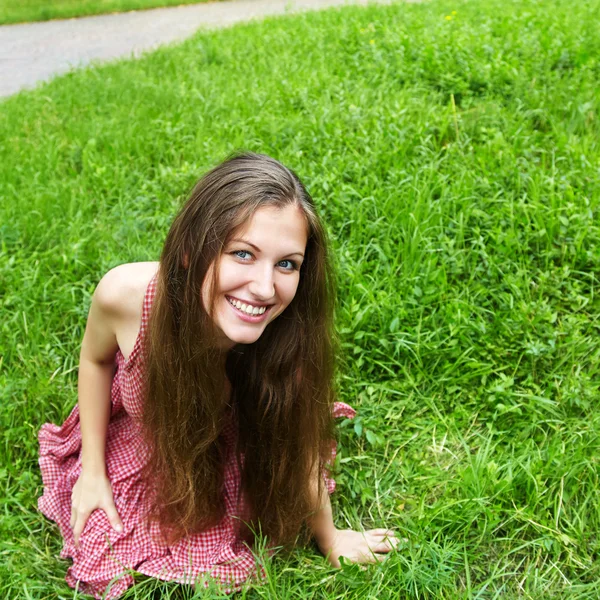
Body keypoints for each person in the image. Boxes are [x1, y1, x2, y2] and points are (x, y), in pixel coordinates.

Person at [38, 152, 398, 599]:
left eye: (287, 264)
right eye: (243, 254)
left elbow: (295, 438)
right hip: (156, 442)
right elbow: (95, 362)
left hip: (238, 445)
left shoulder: (287, 334)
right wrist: (93, 470)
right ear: (192, 249)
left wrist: (331, 537)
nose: (265, 288)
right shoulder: (126, 297)